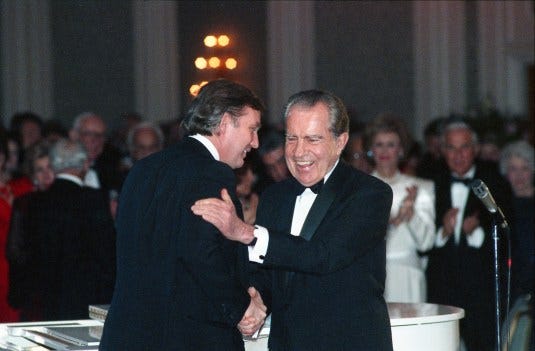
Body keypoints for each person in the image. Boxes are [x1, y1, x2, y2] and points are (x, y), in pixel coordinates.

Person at [192, 89, 394, 350]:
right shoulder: (275, 196)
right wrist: (255, 301)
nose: (300, 152)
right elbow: (272, 273)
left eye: (312, 139)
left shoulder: (370, 194)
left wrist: (246, 232)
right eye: (292, 138)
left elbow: (324, 256)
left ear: (340, 141)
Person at [99, 79, 267, 351]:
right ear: (224, 123)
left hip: (127, 337)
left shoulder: (144, 169)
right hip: (187, 339)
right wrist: (241, 308)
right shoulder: (212, 173)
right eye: (252, 129)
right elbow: (202, 253)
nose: (256, 142)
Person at [425, 119, 513, 351]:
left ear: (475, 149)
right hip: (441, 289)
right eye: (451, 148)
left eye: (464, 147)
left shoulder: (494, 183)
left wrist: (475, 233)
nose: (458, 155)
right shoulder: (431, 182)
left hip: (480, 290)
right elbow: (424, 242)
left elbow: (507, 235)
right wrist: (444, 232)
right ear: (442, 151)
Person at [26, 139, 116, 320]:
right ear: (85, 164)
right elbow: (106, 254)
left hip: (44, 300)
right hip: (86, 300)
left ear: (53, 165)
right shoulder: (94, 200)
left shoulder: (34, 201)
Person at [364, 113, 435, 303]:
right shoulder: (359, 190)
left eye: (391, 144)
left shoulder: (422, 188)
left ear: (401, 150)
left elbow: (426, 243)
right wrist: (392, 222)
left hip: (409, 275)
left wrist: (410, 214)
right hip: (370, 277)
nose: (385, 151)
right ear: (371, 150)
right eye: (379, 144)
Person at [6, 141, 55, 321]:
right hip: (33, 290)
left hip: (58, 289)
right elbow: (14, 249)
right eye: (40, 170)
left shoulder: (67, 203)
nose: (46, 174)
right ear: (33, 175)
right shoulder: (25, 203)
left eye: (50, 167)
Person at [499, 140, 534, 300]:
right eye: (513, 169)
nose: (519, 175)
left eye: (524, 168)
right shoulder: (501, 205)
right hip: (512, 284)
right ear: (506, 173)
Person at [69, 112, 123, 192]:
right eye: (88, 134)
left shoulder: (112, 170)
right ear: (73, 136)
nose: (95, 140)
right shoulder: (59, 170)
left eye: (100, 135)